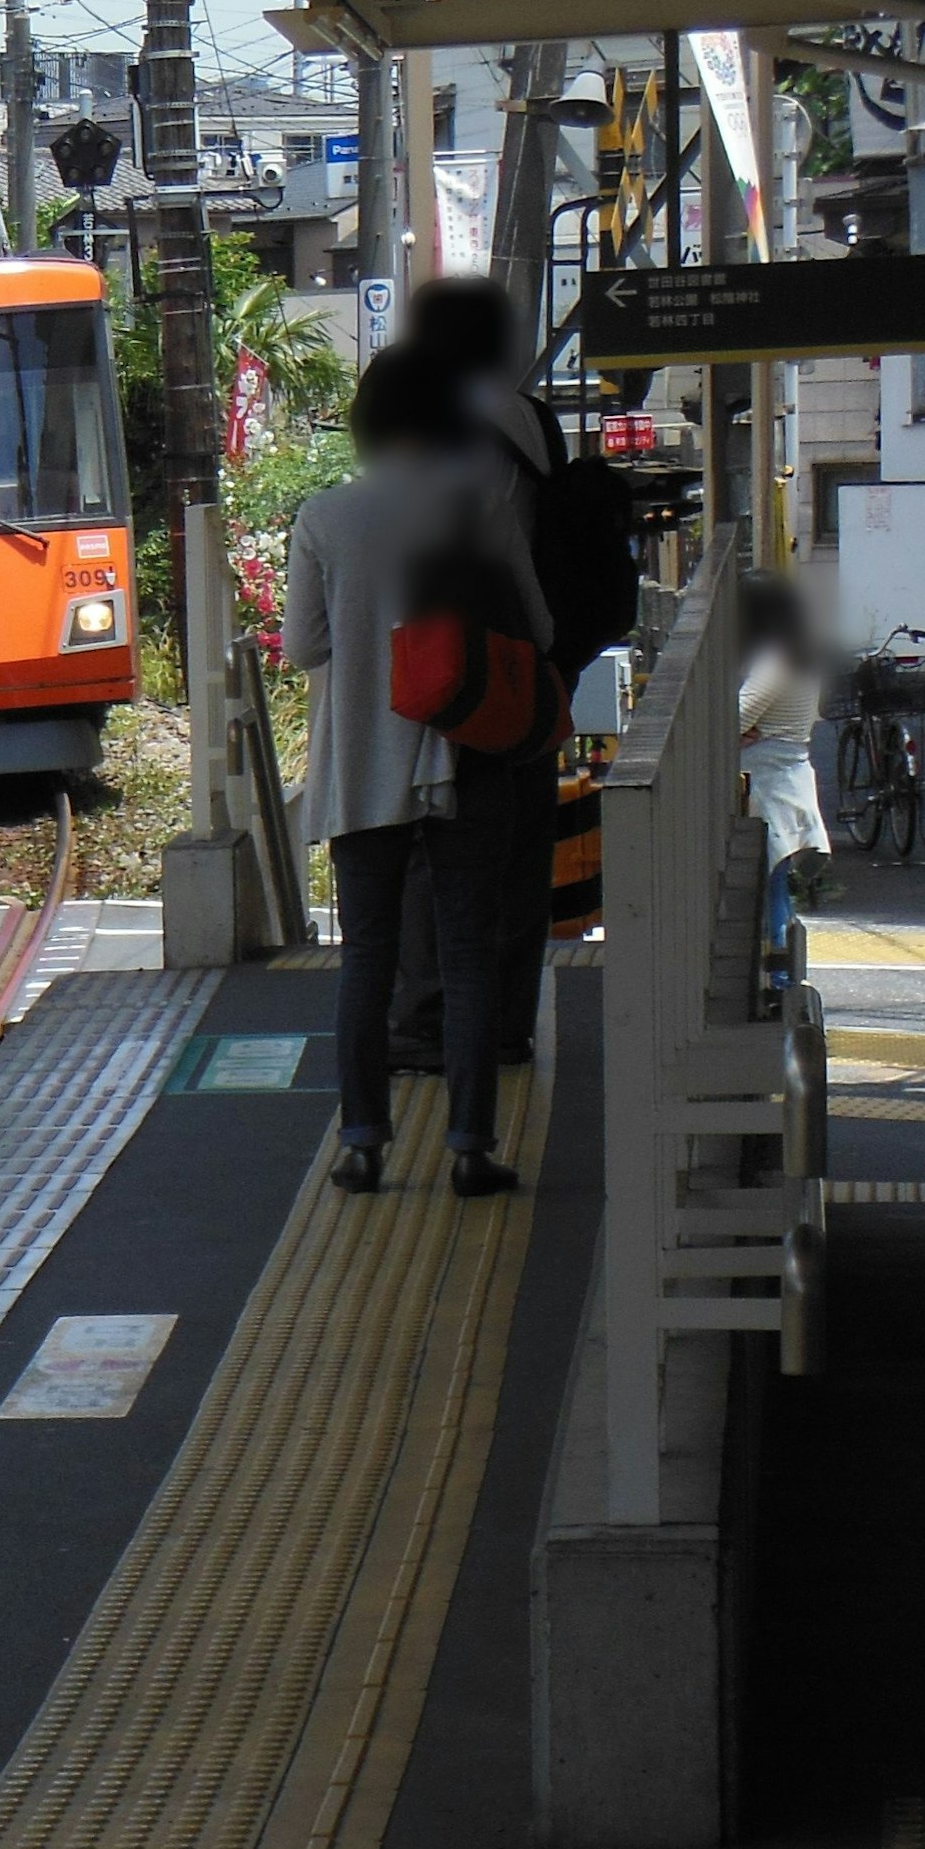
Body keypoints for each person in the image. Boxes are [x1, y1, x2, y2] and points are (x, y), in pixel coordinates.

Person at [285, 341, 552, 1198]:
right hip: (466, 757)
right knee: (468, 954)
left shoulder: (324, 516)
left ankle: (363, 1142)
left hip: (362, 762)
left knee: (368, 957)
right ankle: (471, 1145)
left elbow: (303, 647)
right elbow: (539, 632)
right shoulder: (477, 506)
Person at [384, 276, 571, 1073]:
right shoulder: (535, 423)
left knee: (437, 845)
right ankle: (506, 1022)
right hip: (525, 659)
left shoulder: (431, 425)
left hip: (450, 663)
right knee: (524, 845)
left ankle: (427, 1021)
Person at [741, 574, 830, 948]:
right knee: (775, 888)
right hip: (787, 777)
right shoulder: (799, 654)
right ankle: (783, 979)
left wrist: (737, 731)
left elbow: (737, 715)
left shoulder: (774, 660)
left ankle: (779, 980)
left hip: (768, 784)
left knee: (768, 891)